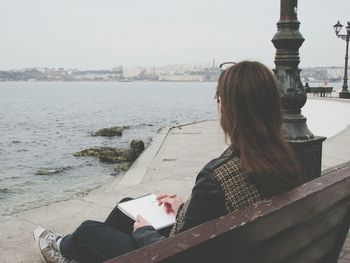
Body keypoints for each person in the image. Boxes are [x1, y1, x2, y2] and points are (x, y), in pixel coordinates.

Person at [33, 61, 302, 263]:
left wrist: (144, 233)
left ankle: (65, 249)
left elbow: (179, 252)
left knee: (89, 230)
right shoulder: (283, 161)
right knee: (126, 205)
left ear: (229, 107)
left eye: (218, 98)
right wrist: (185, 207)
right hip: (233, 249)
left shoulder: (217, 177)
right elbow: (216, 214)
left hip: (176, 255)